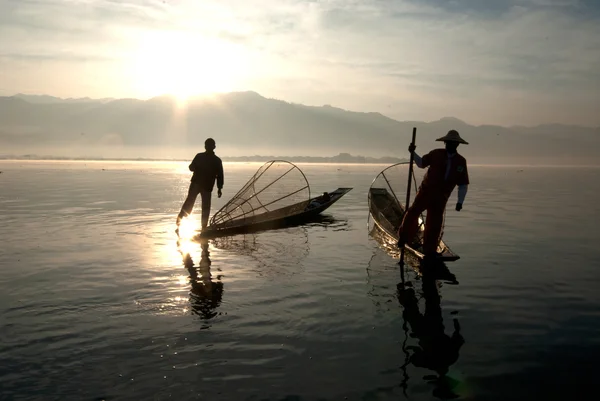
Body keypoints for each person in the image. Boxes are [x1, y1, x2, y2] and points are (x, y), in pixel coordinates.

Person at [397, 129, 469, 258]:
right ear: (445, 143)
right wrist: (412, 153)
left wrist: (460, 202)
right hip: (426, 192)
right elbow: (421, 163)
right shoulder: (436, 154)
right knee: (413, 213)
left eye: (453, 143)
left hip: (441, 197)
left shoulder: (461, 161)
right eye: (448, 142)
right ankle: (403, 238)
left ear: (457, 145)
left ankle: (430, 250)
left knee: (435, 223)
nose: (450, 144)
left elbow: (463, 184)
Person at [176, 138, 224, 230]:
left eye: (209, 145)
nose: (208, 147)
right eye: (208, 145)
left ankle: (181, 219)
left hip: (202, 185)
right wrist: (219, 188)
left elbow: (191, 168)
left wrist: (219, 188)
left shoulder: (204, 157)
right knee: (198, 204)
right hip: (200, 184)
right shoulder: (214, 160)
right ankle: (202, 227)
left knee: (191, 202)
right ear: (213, 147)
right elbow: (220, 176)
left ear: (212, 147)